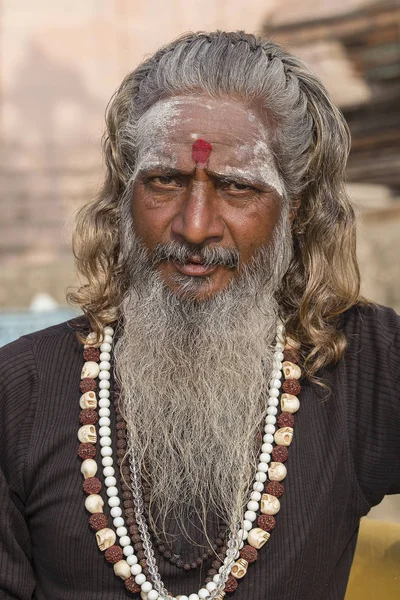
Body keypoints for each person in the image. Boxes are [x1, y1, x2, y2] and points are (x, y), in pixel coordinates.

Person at [0, 30, 399, 600]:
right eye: (165, 181)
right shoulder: (19, 392)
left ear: (297, 210)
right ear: (122, 197)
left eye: (238, 188)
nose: (194, 227)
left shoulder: (360, 364)